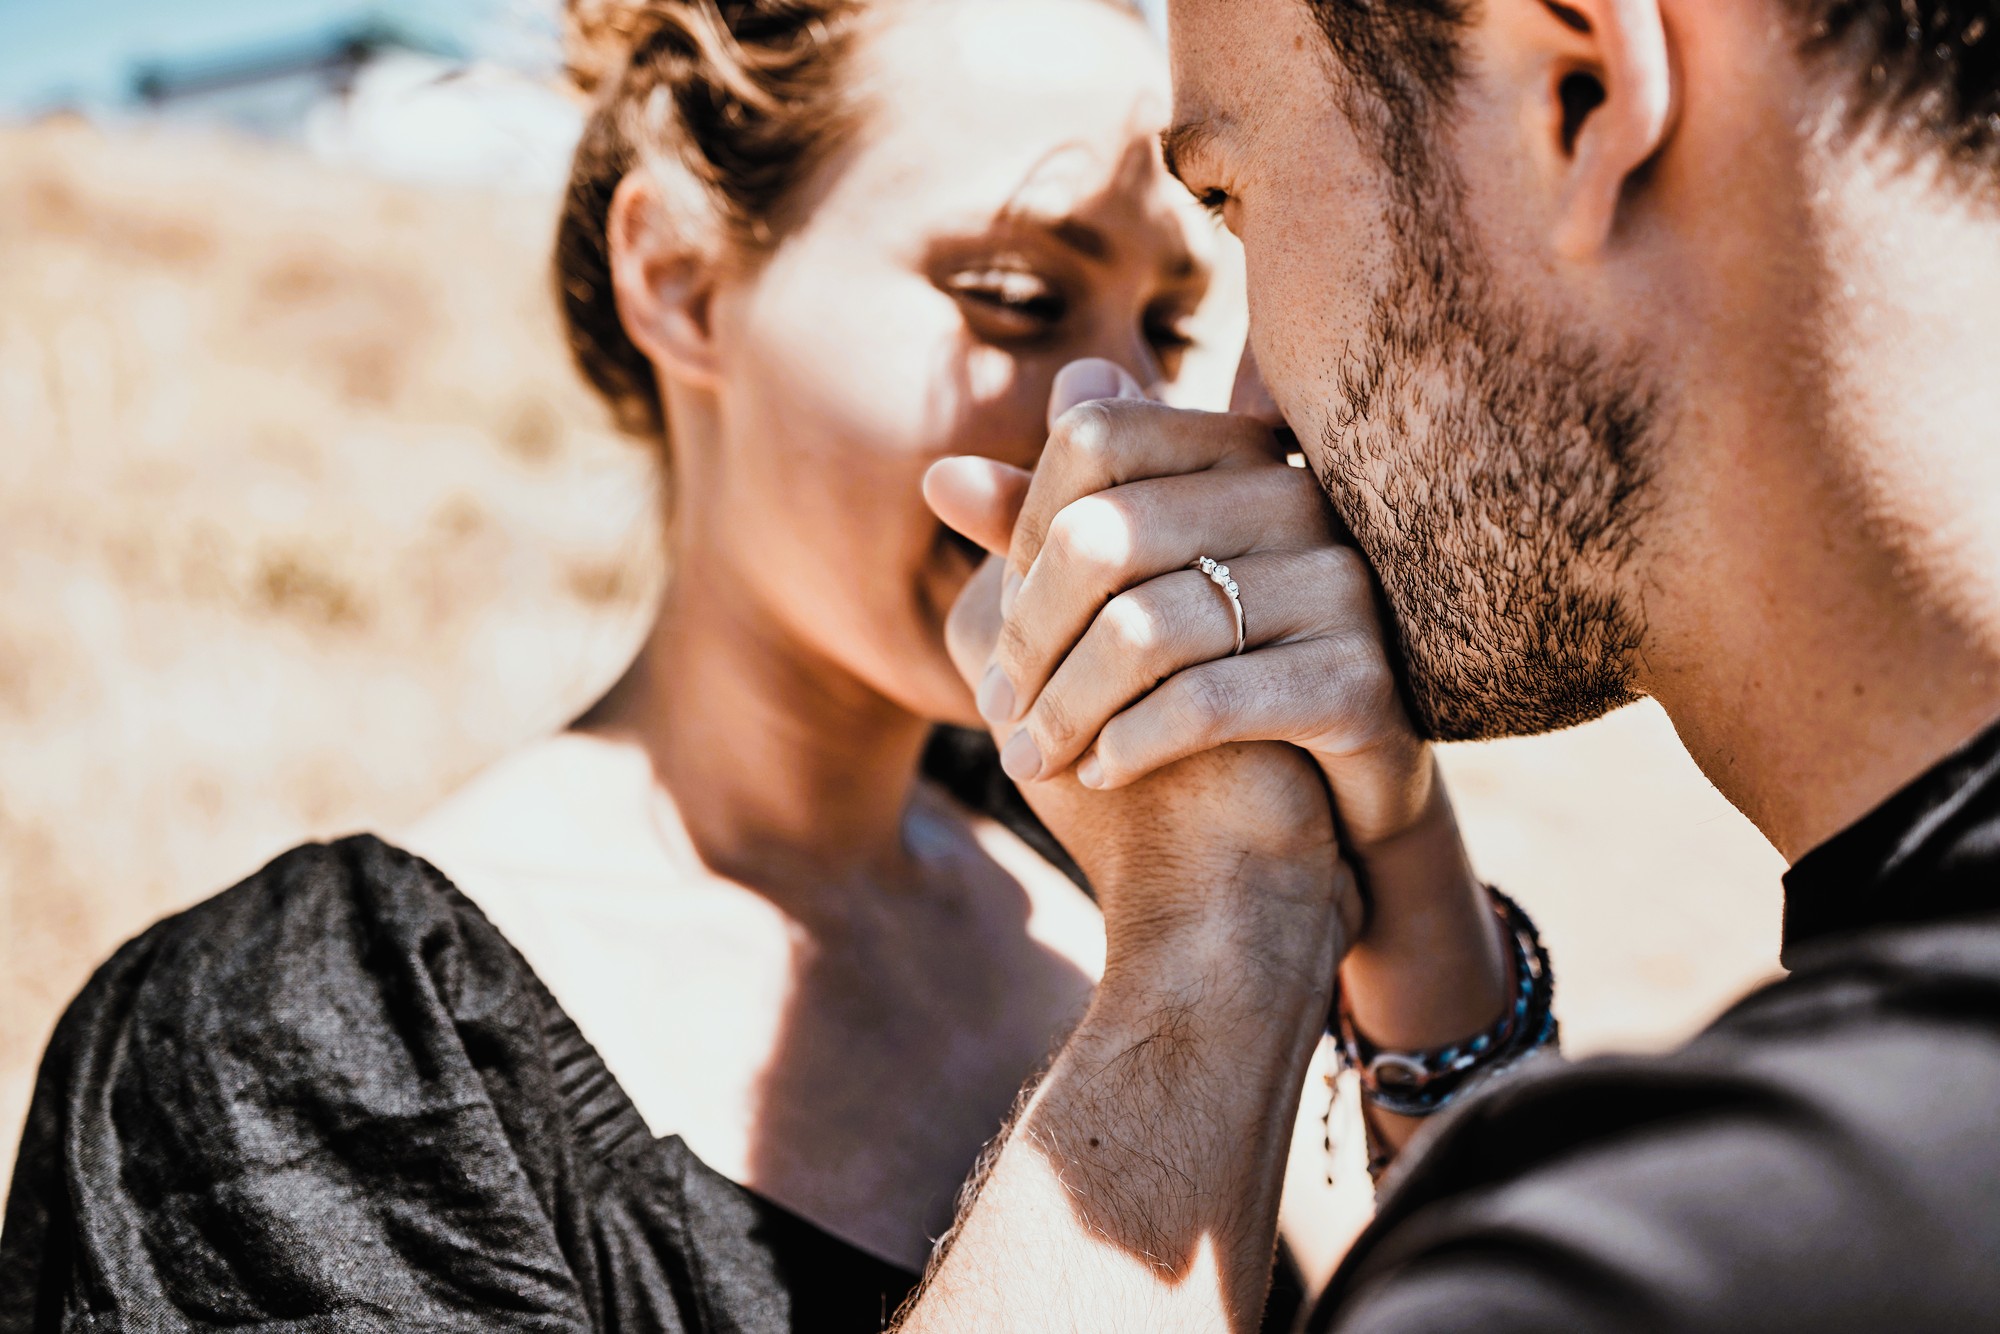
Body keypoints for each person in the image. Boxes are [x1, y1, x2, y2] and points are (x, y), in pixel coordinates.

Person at [0, 0, 1419, 1328]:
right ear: (677, 281)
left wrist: (1405, 871)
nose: (1121, 410)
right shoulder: (284, 1059)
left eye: (1169, 319)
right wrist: (1216, 949)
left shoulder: (1125, 845)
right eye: (1014, 296)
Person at [870, 0, 2000, 1331]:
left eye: (1232, 197)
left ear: (1576, 101)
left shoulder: (1686, 1266)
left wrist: (1208, 933)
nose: (1245, 406)